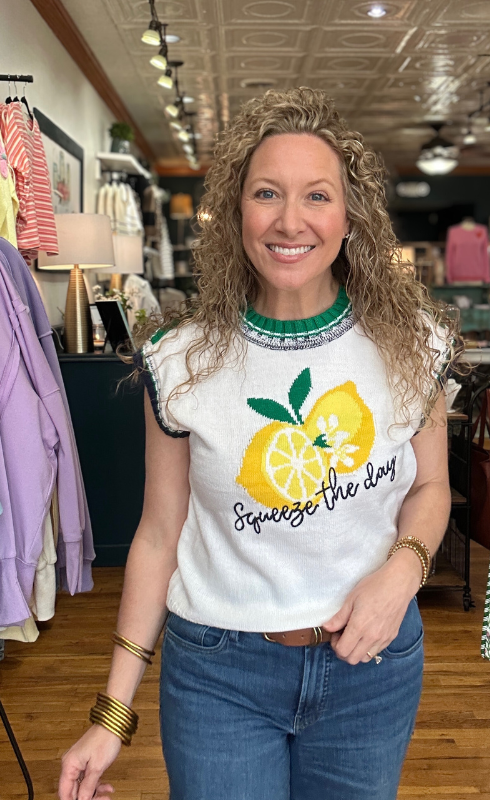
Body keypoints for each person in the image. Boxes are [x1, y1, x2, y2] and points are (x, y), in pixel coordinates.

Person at [58, 87, 459, 800]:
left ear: (349, 216)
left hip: (372, 669)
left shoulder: (413, 344)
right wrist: (111, 714)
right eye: (267, 193)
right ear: (236, 212)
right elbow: (158, 535)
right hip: (219, 673)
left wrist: (401, 574)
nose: (290, 220)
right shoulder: (181, 360)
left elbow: (430, 488)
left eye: (317, 196)